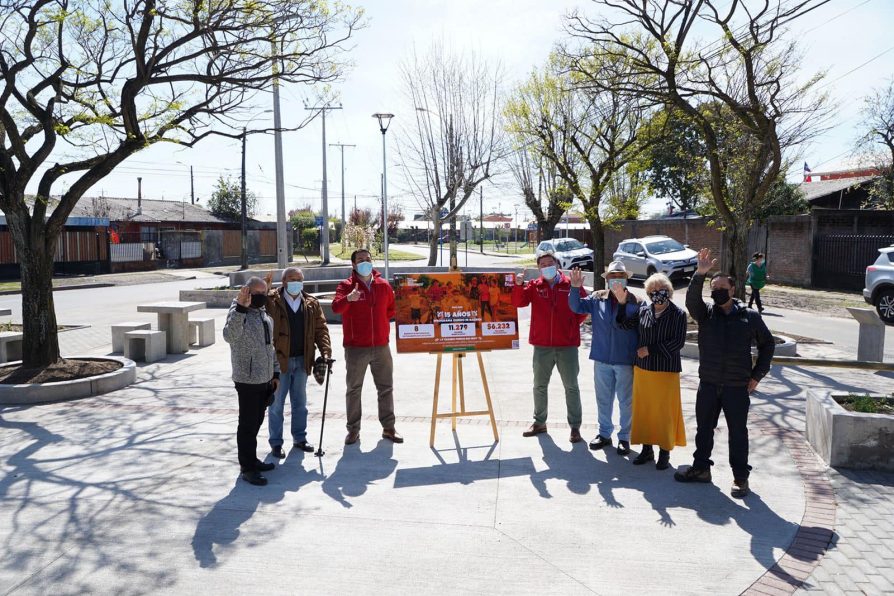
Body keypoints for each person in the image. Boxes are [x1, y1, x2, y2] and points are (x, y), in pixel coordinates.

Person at [675, 248, 775, 498]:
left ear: (733, 290)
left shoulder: (749, 317)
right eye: (714, 287)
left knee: (738, 433)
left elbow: (768, 345)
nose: (718, 291)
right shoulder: (706, 315)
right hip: (708, 384)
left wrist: (757, 376)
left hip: (736, 387)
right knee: (703, 429)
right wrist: (700, 273)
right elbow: (691, 301)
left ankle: (740, 478)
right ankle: (701, 469)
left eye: (722, 287)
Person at [513, 252, 588, 442]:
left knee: (571, 386)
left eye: (550, 263)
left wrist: (570, 327)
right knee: (539, 386)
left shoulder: (570, 283)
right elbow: (518, 302)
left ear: (557, 264)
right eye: (543, 264)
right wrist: (518, 285)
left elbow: (583, 310)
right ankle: (539, 422)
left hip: (567, 346)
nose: (547, 266)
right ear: (539, 268)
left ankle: (575, 427)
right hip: (542, 346)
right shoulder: (534, 286)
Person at [616, 273, 687, 470]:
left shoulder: (679, 314)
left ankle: (665, 452)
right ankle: (647, 451)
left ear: (669, 291)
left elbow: (678, 342)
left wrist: (650, 349)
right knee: (645, 411)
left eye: (660, 289)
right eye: (652, 291)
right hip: (644, 370)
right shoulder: (643, 311)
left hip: (666, 370)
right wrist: (621, 304)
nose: (657, 293)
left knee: (664, 413)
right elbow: (622, 324)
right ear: (647, 293)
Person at [332, 249, 403, 445]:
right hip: (356, 348)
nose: (365, 262)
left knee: (386, 388)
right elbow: (336, 307)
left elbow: (391, 309)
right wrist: (349, 299)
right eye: (360, 260)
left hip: (381, 346)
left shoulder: (383, 285)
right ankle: (353, 430)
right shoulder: (346, 286)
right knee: (354, 389)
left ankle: (389, 428)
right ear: (353, 265)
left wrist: (379, 328)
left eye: (368, 259)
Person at [569, 261, 639, 455]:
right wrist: (575, 289)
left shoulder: (637, 301)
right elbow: (576, 307)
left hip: (625, 360)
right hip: (601, 359)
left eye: (620, 276)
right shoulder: (597, 298)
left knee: (626, 401)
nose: (616, 280)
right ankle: (604, 433)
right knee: (603, 399)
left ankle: (624, 437)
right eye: (612, 277)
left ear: (626, 279)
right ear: (607, 280)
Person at [263, 267, 332, 458]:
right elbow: (257, 308)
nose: (295, 282)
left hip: (303, 359)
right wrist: (263, 292)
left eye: (299, 279)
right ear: (283, 281)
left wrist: (326, 351)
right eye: (291, 279)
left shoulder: (311, 303)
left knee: (300, 402)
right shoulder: (272, 300)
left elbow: (321, 329)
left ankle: (300, 438)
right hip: (279, 361)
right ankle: (276, 443)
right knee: (276, 404)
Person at [223, 277, 280, 486]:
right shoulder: (238, 311)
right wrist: (240, 309)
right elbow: (229, 335)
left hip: (264, 378)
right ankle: (247, 468)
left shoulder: (264, 315)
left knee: (256, 423)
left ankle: (253, 459)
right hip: (246, 379)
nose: (262, 297)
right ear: (246, 291)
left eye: (265, 293)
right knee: (247, 426)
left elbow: (270, 346)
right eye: (258, 293)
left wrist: (276, 373)